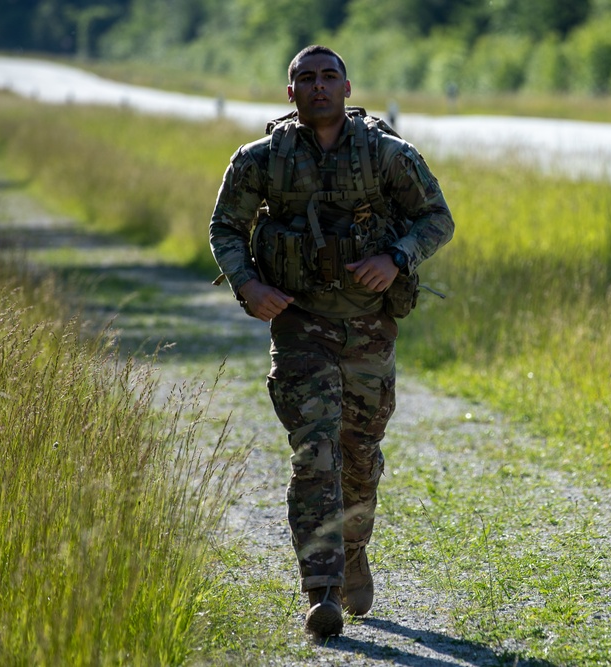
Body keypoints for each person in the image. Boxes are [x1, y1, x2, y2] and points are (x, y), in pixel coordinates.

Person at [209, 45, 454, 639]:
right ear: (290, 93)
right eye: (306, 79)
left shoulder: (387, 155)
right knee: (315, 450)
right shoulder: (261, 160)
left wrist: (396, 257)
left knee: (360, 456)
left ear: (347, 87)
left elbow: (436, 219)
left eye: (329, 77)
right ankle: (321, 591)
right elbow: (225, 226)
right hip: (299, 323)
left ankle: (351, 552)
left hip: (369, 325)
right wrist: (248, 285)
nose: (318, 87)